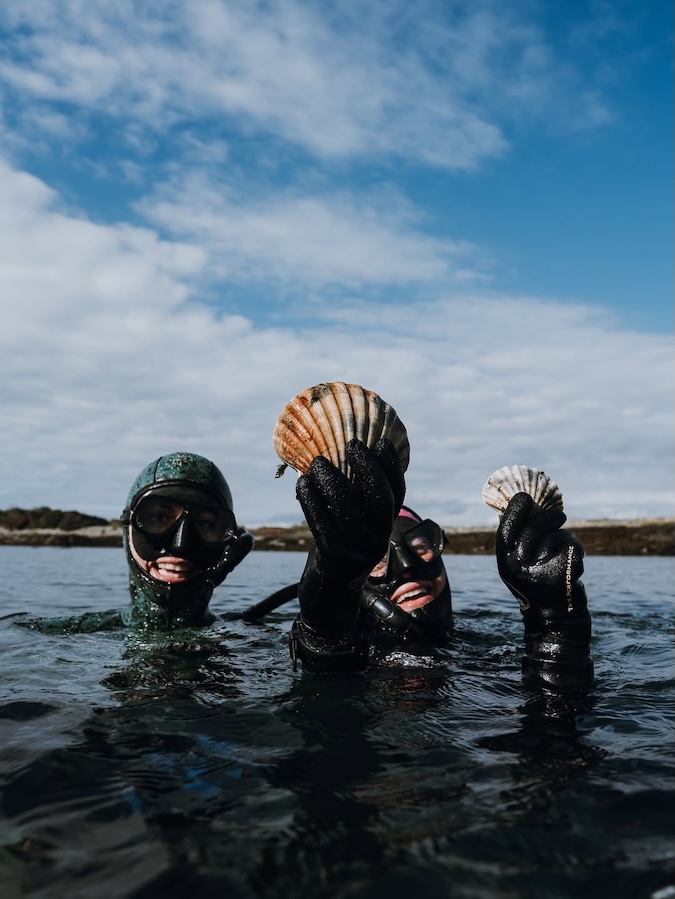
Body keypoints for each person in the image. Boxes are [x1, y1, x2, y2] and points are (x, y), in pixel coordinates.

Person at [285, 436, 593, 694]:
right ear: (358, 579)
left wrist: (556, 636)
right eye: (379, 560)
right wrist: (325, 636)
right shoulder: (359, 651)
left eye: (421, 546)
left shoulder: (483, 647)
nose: (407, 566)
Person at [121, 451, 254, 629]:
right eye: (160, 518)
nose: (180, 545)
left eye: (204, 523)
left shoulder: (257, 640)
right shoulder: (77, 631)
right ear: (127, 528)